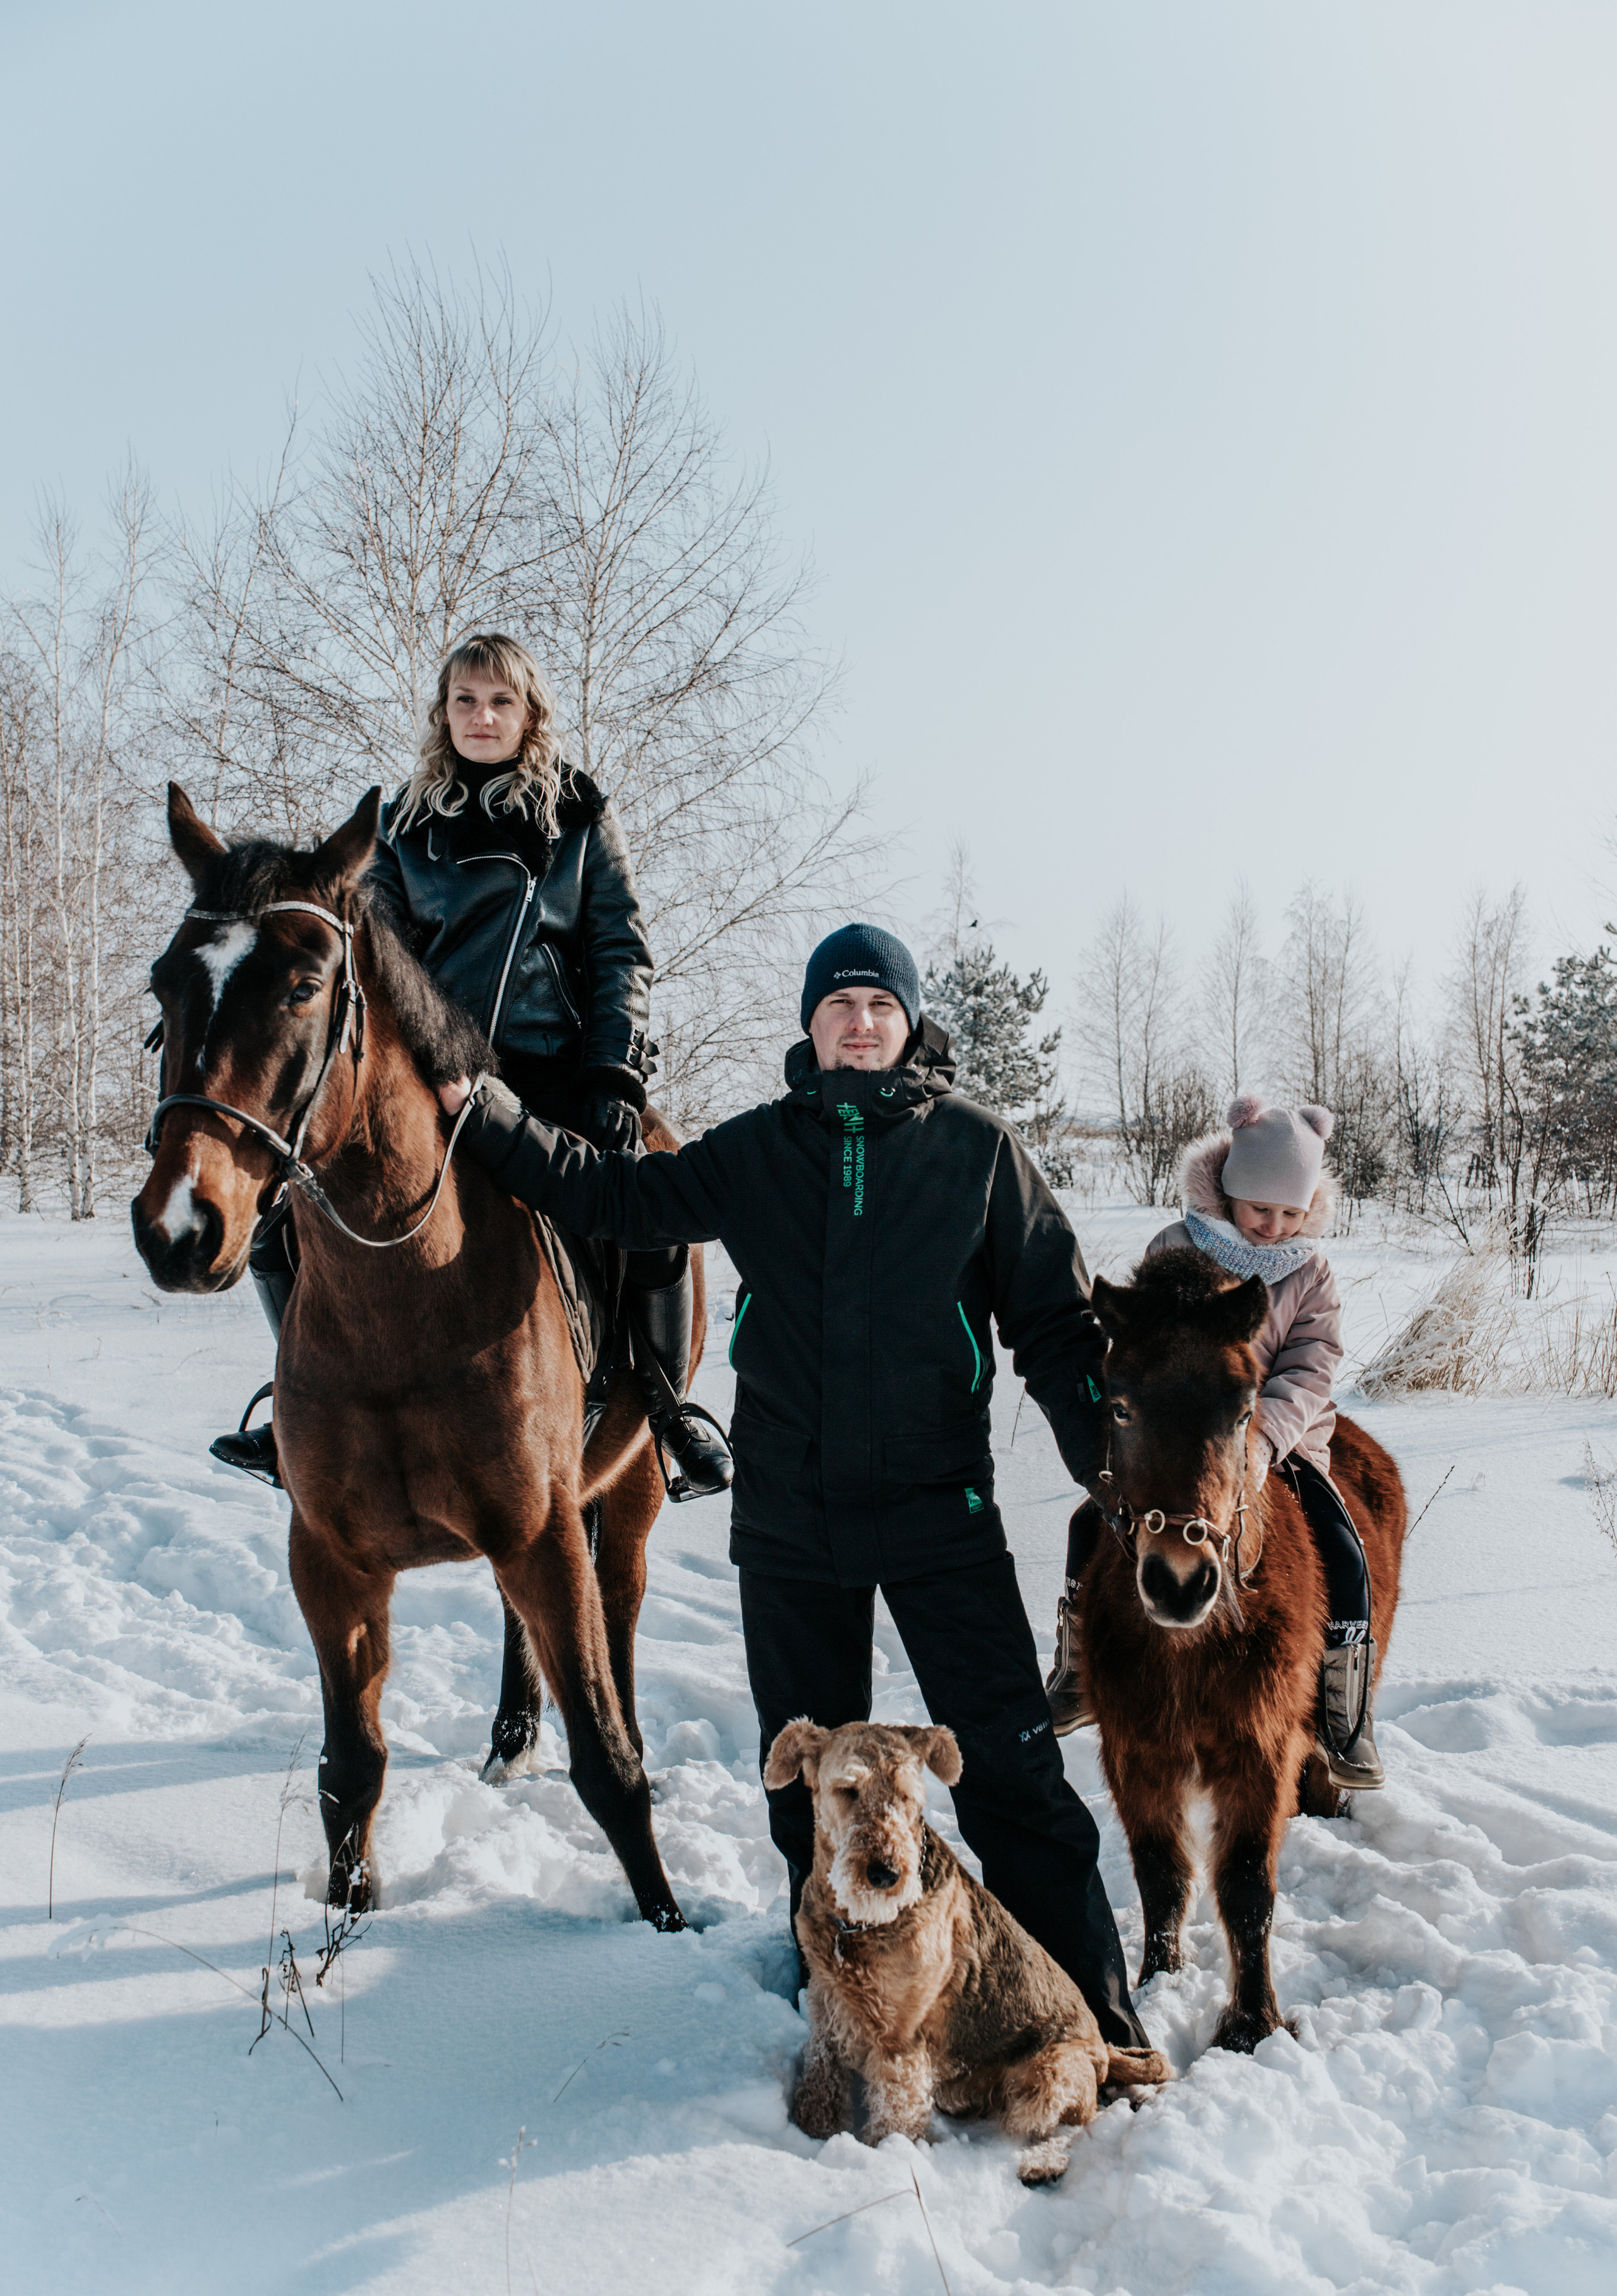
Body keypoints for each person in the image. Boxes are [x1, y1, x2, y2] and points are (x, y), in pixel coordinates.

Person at [436, 922, 1156, 2051]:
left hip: (941, 1515)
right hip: (792, 1524)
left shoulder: (978, 1153)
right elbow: (615, 1197)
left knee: (1014, 1776)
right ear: (812, 1026)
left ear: (910, 1024)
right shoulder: (760, 1150)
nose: (860, 1024)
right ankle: (839, 1994)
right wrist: (489, 1117)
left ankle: (1091, 2015)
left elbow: (1058, 1328)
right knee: (802, 1785)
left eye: (880, 1006)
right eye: (839, 1006)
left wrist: (1110, 1473)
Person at [208, 632, 731, 1501]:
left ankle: (666, 1406)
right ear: (443, 714)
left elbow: (620, 952)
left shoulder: (579, 817)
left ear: (529, 715)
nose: (481, 717)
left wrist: (614, 1076)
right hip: (433, 1075)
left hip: (555, 1070)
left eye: (499, 702)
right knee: (280, 1217)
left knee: (650, 1208)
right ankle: (297, 1408)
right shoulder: (401, 828)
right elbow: (375, 962)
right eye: (465, 701)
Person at [1045, 1094, 1382, 1792]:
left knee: (1343, 1549)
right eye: (1260, 1208)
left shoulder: (1309, 1270)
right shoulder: (1177, 1244)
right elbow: (1142, 1344)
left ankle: (1343, 1716)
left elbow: (1313, 1362)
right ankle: (1077, 1667)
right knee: (1089, 1526)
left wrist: (1263, 1439)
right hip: (1178, 1440)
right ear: (1229, 1192)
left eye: (1289, 1213)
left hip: (1284, 1438)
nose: (1273, 1225)